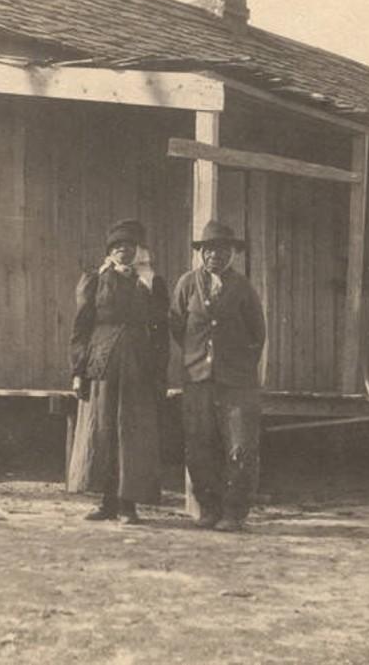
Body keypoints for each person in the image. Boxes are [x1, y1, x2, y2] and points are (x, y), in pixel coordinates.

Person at [68, 219, 169, 524]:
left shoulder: (152, 283)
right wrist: (78, 369)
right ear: (110, 252)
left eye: (130, 245)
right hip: (102, 365)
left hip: (139, 366)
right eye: (117, 246)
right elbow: (81, 326)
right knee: (103, 431)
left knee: (133, 433)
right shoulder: (94, 280)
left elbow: (160, 330)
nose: (123, 250)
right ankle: (105, 502)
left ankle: (128, 504)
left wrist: (160, 372)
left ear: (140, 250)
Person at [170, 220, 266, 532]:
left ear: (232, 254)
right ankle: (209, 508)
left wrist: (236, 364)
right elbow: (177, 326)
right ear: (201, 252)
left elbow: (257, 334)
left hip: (237, 382)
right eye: (209, 250)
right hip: (198, 378)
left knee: (240, 445)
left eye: (222, 250)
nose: (215, 256)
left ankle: (234, 512)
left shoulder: (243, 288)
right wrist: (197, 358)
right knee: (199, 444)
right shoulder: (187, 284)